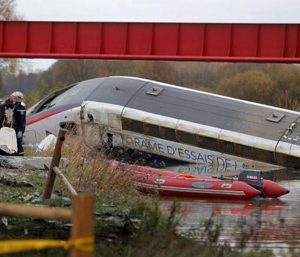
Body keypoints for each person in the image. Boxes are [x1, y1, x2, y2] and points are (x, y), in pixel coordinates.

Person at [11, 91, 26, 156]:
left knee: (19, 143)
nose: (13, 99)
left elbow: (22, 121)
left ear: (18, 99)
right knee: (15, 143)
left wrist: (20, 130)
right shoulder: (15, 106)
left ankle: (21, 157)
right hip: (14, 128)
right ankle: (16, 157)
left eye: (14, 98)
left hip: (19, 128)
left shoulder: (21, 108)